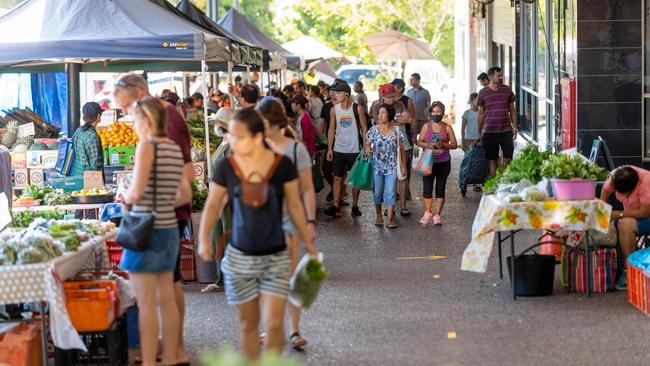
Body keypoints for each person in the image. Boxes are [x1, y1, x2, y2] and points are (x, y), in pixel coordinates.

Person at [197, 108, 318, 361]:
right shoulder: (226, 166)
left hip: (276, 257)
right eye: (231, 135)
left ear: (256, 136)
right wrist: (203, 240)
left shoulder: (282, 164)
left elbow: (294, 205)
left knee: (274, 325)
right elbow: (213, 204)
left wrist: (308, 239)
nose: (232, 140)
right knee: (247, 324)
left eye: (238, 136)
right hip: (239, 259)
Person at [113, 73, 194, 365]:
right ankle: (172, 356)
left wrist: (128, 194)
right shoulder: (171, 146)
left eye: (129, 113)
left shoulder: (146, 145)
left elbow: (134, 194)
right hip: (169, 228)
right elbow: (184, 191)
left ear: (144, 116)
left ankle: (149, 361)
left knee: (146, 303)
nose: (128, 119)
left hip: (147, 230)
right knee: (167, 297)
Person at [257, 98, 317, 350]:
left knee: (289, 275)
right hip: (260, 221)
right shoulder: (255, 148)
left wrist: (311, 221)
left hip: (290, 220)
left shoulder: (295, 150)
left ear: (274, 123)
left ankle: (293, 329)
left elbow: (307, 189)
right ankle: (270, 327)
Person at [201, 107, 236, 294]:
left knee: (226, 239)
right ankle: (219, 279)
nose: (215, 126)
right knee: (217, 239)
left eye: (217, 124)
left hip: (226, 201)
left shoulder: (231, 148)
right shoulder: (223, 145)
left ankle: (227, 280)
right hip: (218, 199)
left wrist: (222, 204)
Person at [601, 166, 650, 289]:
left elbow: (644, 212)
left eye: (627, 194)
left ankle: (630, 270)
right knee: (623, 223)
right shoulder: (616, 177)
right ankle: (630, 268)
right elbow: (605, 190)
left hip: (647, 215)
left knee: (624, 223)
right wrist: (601, 209)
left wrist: (618, 214)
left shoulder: (646, 181)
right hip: (633, 214)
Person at [324, 82, 369, 218]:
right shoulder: (334, 110)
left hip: (354, 150)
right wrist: (330, 148)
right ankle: (336, 206)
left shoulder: (358, 109)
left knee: (355, 180)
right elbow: (331, 129)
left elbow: (364, 128)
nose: (334, 95)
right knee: (337, 177)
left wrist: (366, 145)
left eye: (337, 93)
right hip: (338, 149)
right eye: (334, 93)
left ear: (346, 94)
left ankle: (355, 206)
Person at [372, 84, 412, 216]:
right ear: (382, 96)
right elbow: (379, 123)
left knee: (402, 175)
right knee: (388, 179)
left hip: (402, 143)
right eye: (388, 97)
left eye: (392, 96)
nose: (390, 99)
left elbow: (408, 118)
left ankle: (403, 205)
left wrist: (391, 120)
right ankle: (390, 207)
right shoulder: (377, 106)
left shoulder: (400, 104)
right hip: (384, 147)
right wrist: (397, 121)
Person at [416, 102, 458, 226]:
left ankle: (437, 215)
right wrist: (428, 145)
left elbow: (455, 144)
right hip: (428, 162)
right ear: (430, 113)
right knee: (427, 188)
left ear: (442, 113)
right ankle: (428, 212)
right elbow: (419, 142)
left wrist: (443, 145)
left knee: (440, 188)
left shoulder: (447, 127)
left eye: (438, 112)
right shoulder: (426, 126)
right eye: (433, 112)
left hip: (443, 162)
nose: (436, 114)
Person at [366, 103, 406, 229]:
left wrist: (403, 165)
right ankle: (378, 215)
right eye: (379, 113)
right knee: (377, 192)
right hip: (377, 166)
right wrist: (368, 150)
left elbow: (402, 150)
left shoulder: (396, 131)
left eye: (383, 113)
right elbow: (367, 145)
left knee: (390, 192)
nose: (380, 115)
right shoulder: (373, 130)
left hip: (392, 166)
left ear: (389, 115)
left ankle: (390, 219)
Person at [477, 66, 517, 177]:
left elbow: (512, 110)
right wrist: (479, 130)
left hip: (506, 130)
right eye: (498, 75)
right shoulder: (483, 93)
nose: (500, 78)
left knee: (508, 158)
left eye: (501, 75)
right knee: (493, 160)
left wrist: (515, 127)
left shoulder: (507, 90)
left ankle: (504, 181)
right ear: (490, 77)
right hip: (489, 131)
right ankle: (495, 184)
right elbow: (481, 113)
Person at [392, 78, 417, 203]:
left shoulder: (407, 101)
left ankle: (406, 191)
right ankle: (396, 192)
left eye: (394, 87)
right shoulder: (387, 101)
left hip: (406, 135)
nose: (392, 89)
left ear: (401, 88)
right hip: (392, 137)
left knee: (406, 165)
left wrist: (414, 135)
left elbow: (412, 118)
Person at [71, 102, 104, 177]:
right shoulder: (93, 136)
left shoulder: (79, 130)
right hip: (88, 179)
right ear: (98, 116)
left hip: (76, 174)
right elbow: (96, 164)